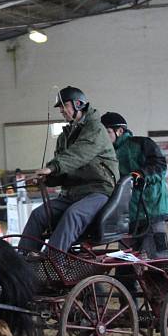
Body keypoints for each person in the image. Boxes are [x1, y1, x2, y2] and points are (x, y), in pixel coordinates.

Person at [21, 86, 119, 254]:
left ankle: (52, 260)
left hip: (98, 190)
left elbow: (78, 154)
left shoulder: (95, 129)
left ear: (78, 104)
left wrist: (52, 167)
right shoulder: (64, 136)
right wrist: (47, 179)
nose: (61, 110)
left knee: (73, 214)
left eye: (63, 105)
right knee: (39, 214)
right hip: (72, 193)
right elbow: (63, 171)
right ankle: (22, 261)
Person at [100, 112, 168, 258]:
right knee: (125, 261)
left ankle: (161, 280)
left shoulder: (142, 143)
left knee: (158, 258)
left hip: (152, 211)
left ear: (119, 131)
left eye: (106, 132)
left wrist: (141, 174)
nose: (103, 137)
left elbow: (159, 166)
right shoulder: (106, 154)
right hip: (127, 216)